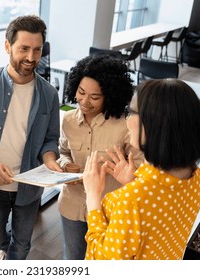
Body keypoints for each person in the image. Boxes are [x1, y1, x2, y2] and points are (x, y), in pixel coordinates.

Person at [0, 15, 61, 260]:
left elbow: (50, 139)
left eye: (37, 50)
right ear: (7, 46)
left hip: (29, 185)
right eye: (23, 49)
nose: (31, 57)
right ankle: (5, 249)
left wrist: (50, 160)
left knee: (23, 243)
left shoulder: (49, 94)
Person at [83, 79, 200, 260]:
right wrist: (135, 182)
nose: (127, 119)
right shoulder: (196, 177)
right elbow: (158, 225)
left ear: (153, 123)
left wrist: (93, 196)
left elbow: (102, 262)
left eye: (131, 112)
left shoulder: (132, 201)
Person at [57, 54, 144, 260]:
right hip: (72, 206)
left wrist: (126, 171)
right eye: (81, 92)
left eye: (95, 97)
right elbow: (63, 151)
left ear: (110, 96)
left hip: (109, 211)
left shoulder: (124, 125)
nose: (85, 101)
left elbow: (140, 167)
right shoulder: (68, 120)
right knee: (73, 261)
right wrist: (65, 163)